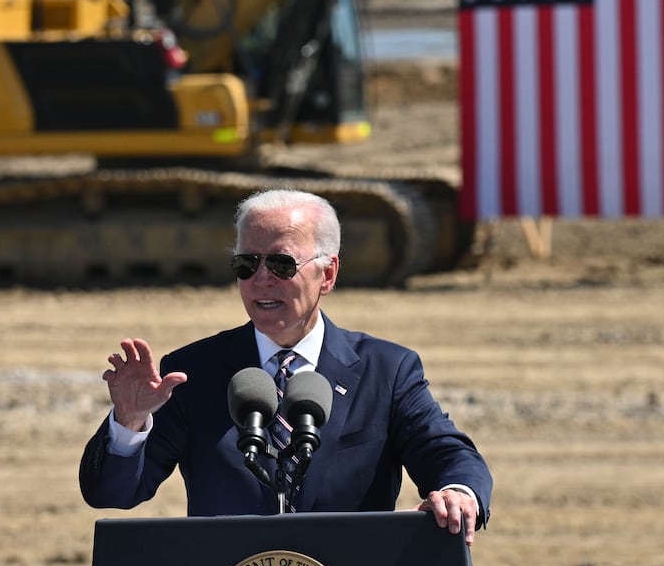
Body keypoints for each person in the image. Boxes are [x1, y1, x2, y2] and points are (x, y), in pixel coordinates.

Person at [79, 188, 492, 544]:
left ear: (327, 274)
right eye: (246, 265)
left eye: (281, 264)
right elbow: (113, 493)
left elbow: (446, 454)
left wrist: (458, 492)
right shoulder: (192, 372)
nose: (261, 280)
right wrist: (129, 423)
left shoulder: (386, 370)